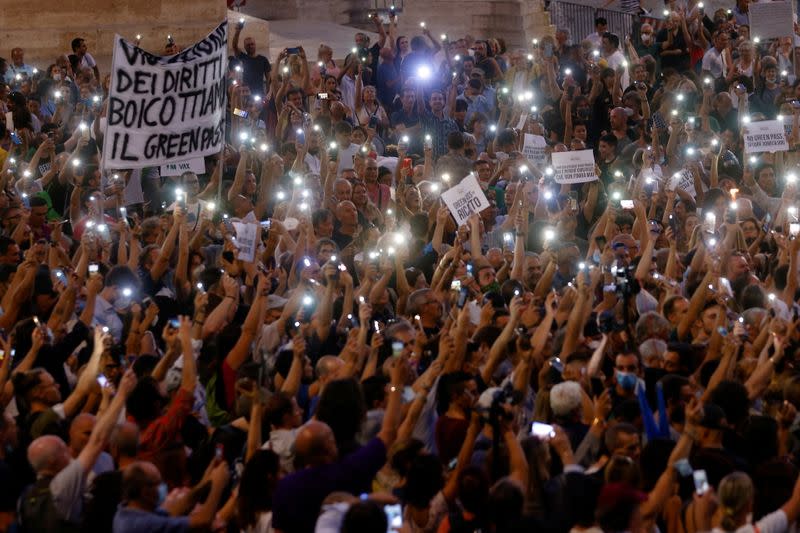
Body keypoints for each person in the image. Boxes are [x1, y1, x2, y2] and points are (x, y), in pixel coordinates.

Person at [233, 20, 272, 97]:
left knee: (258, 109)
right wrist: (238, 31)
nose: (250, 46)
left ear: (255, 45)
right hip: (245, 94)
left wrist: (268, 94)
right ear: (244, 47)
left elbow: (269, 79)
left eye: (252, 44)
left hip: (259, 94)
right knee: (240, 109)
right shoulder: (243, 57)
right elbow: (234, 46)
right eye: (248, 45)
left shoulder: (263, 59)